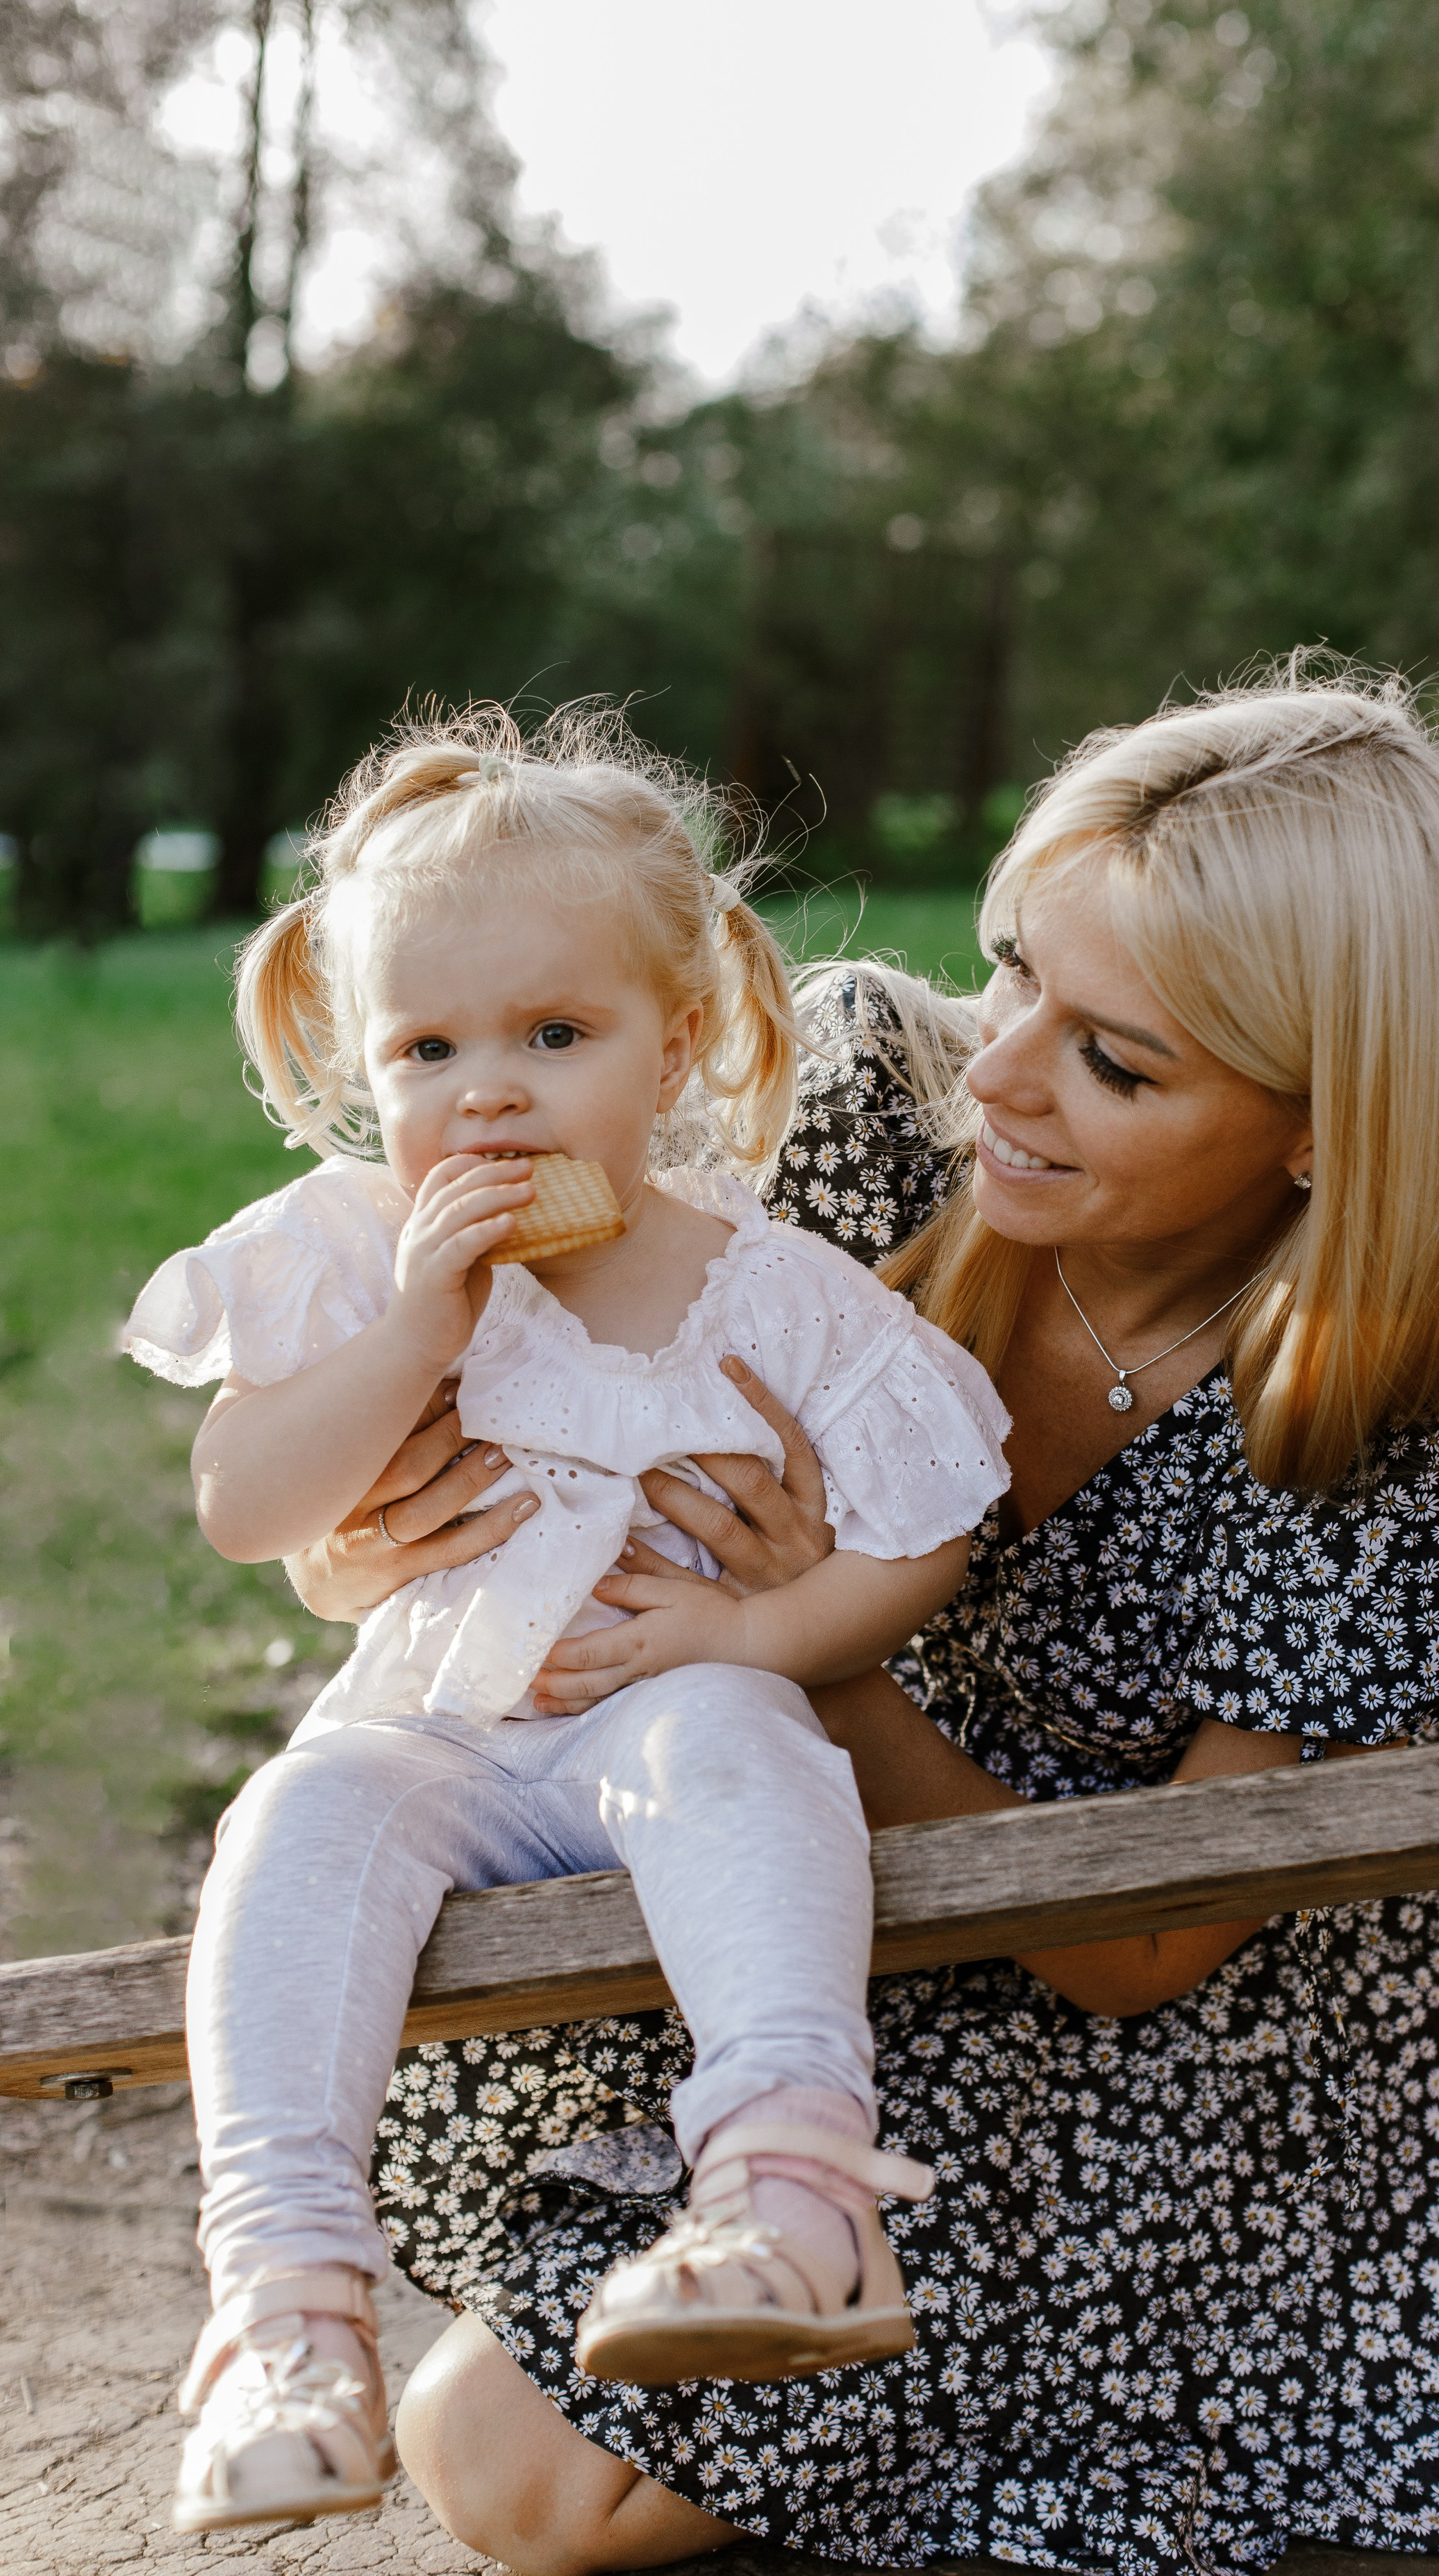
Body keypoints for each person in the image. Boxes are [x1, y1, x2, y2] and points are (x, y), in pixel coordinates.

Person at [290, 669, 1439, 2576]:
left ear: (1329, 1129)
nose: (995, 1070)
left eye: (1117, 1064)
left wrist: (817, 1651)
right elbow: (484, 1390)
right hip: (822, 1926)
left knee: (510, 2467)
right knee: (504, 2444)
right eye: (1012, 971)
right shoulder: (848, 1128)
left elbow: (1144, 1949)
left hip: (1186, 2080)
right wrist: (366, 1543)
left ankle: (1202, 2366)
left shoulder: (1407, 1455)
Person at [122, 712, 1011, 2534]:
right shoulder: (357, 1250)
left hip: (652, 1707)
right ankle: (286, 2312)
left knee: (742, 1753)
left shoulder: (770, 1290)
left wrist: (758, 1641)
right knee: (292, 1816)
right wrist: (413, 1334)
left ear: (672, 1043)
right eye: (428, 1049)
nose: (491, 1091)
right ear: (366, 1071)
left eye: (553, 1035)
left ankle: (789, 2192)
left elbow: (934, 1527)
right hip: (432, 1730)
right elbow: (245, 1508)